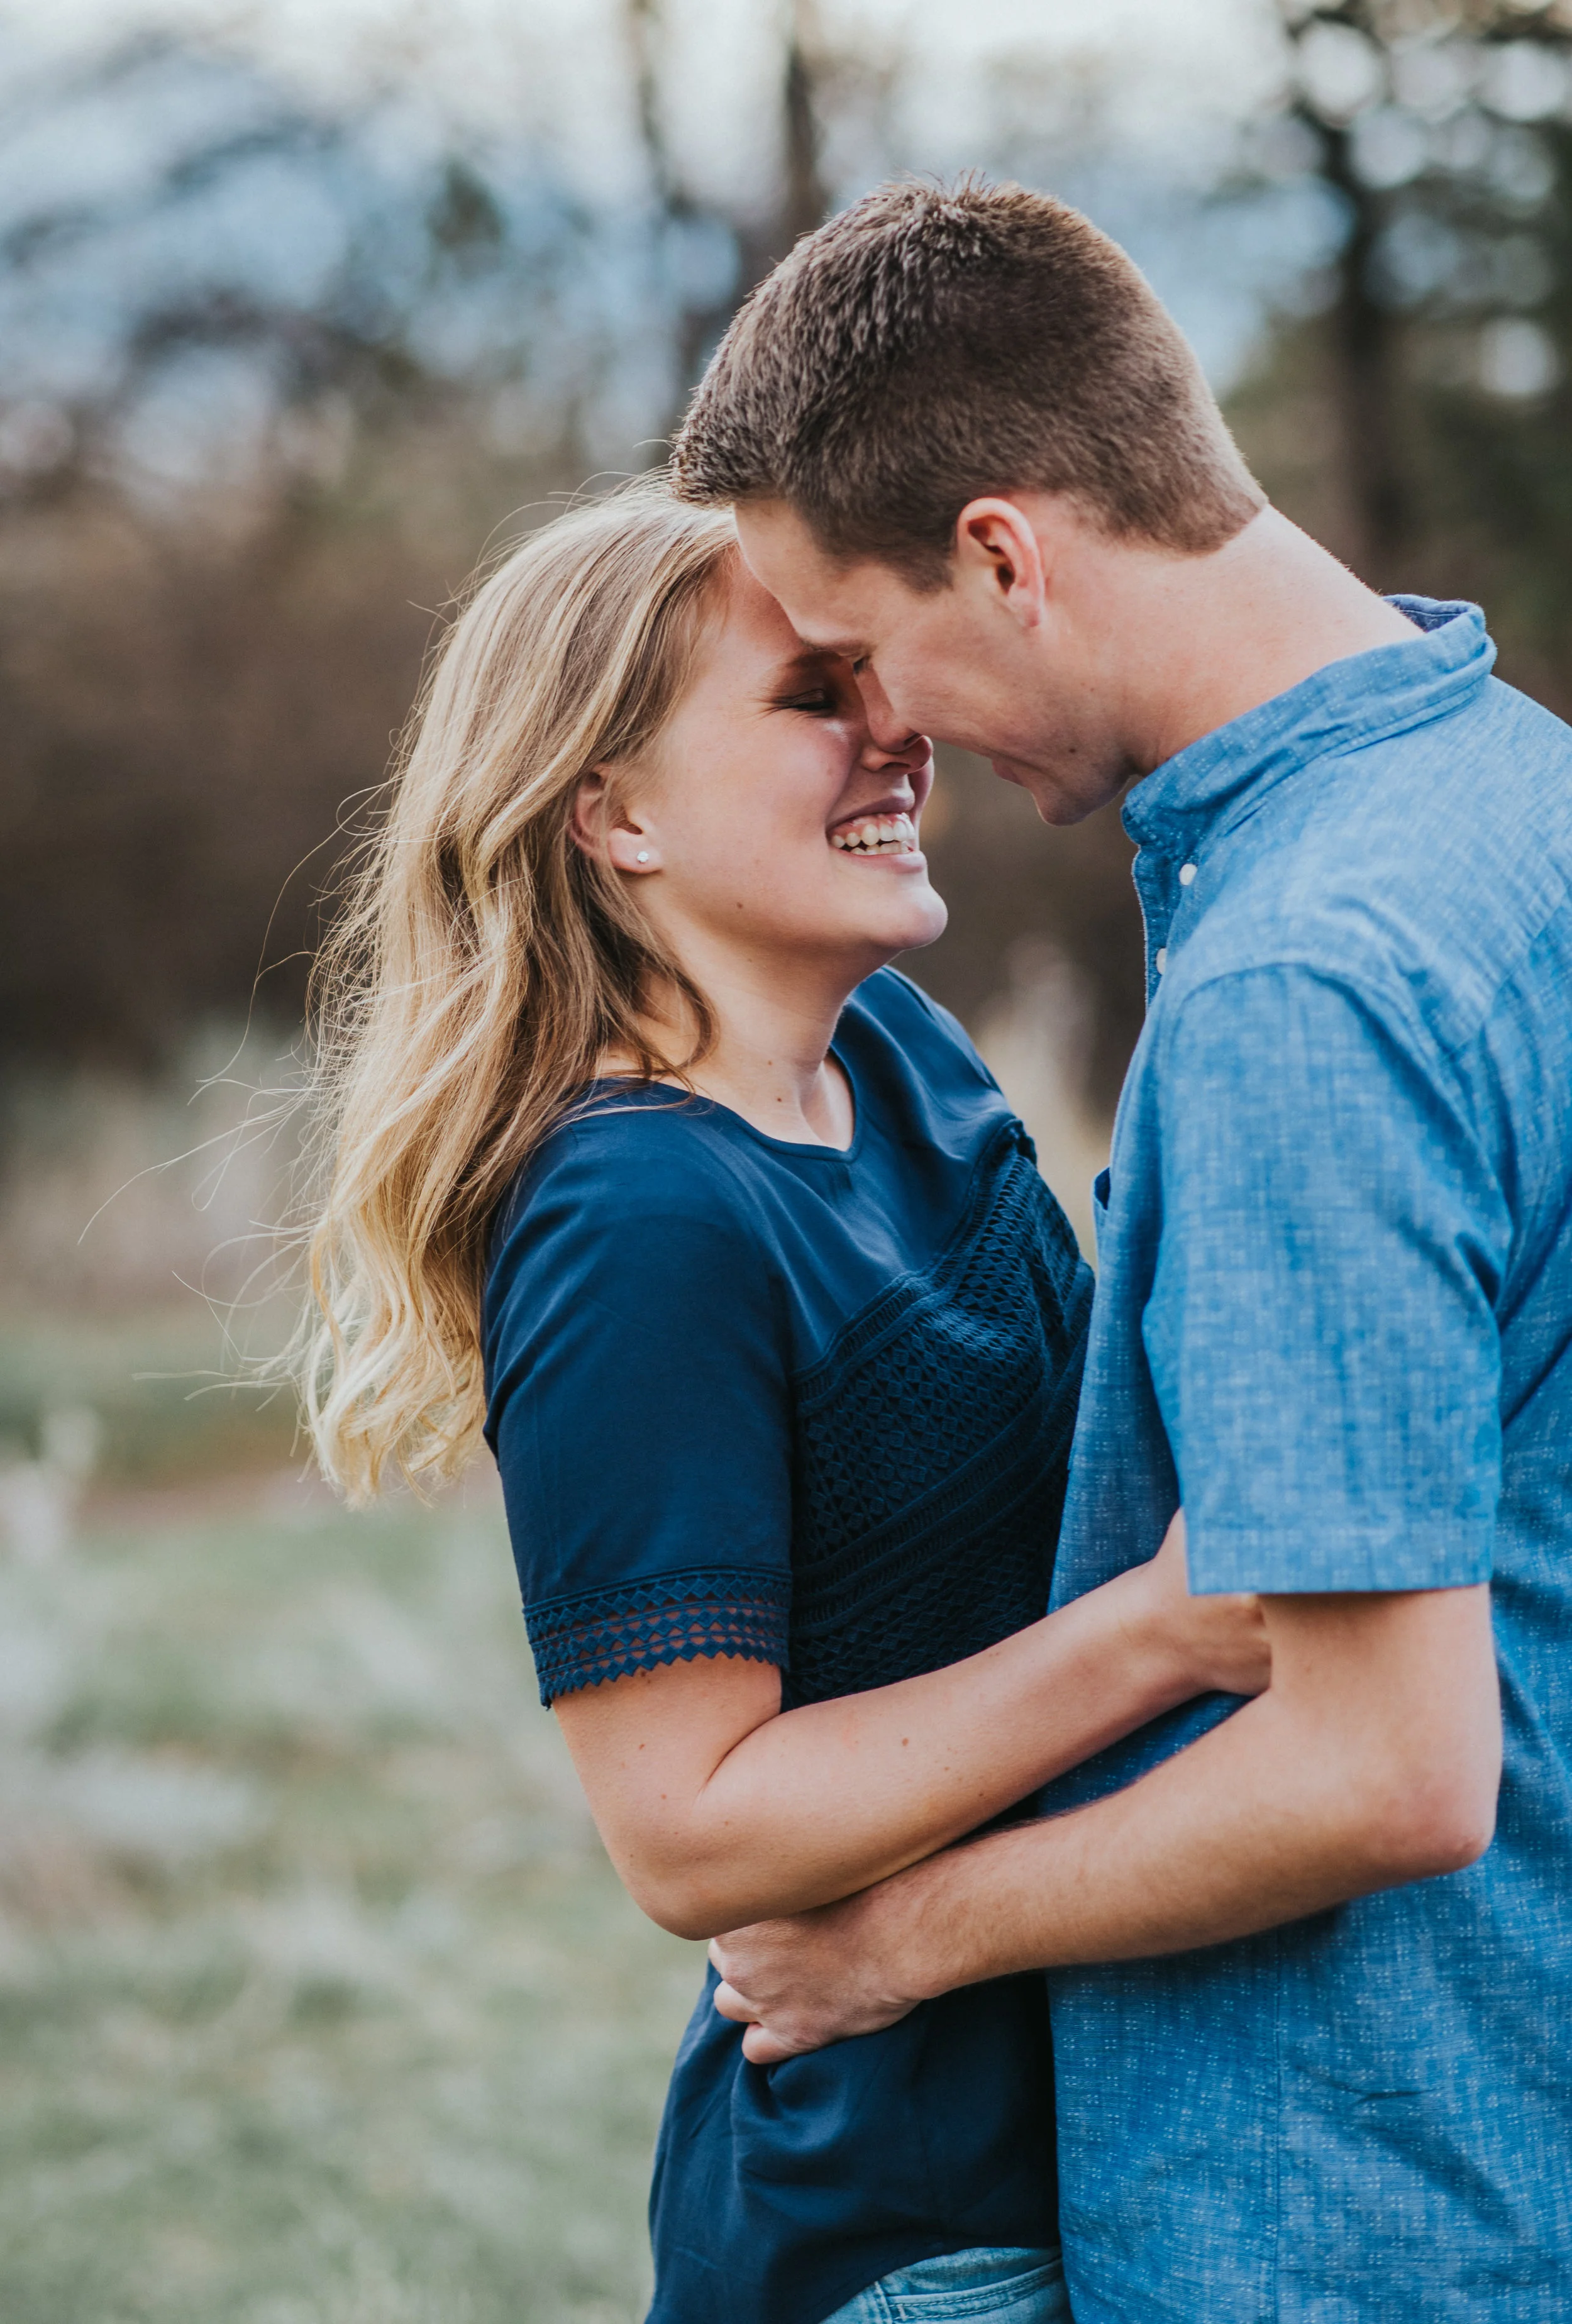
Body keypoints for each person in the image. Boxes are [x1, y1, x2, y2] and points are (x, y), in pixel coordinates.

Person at [670, 177, 1572, 2320]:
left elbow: (1382, 1768)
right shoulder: (1512, 790)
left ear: (1006, 552)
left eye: (863, 654)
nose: (892, 737)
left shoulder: (1303, 989)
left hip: (1350, 2213)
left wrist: (900, 1936)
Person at [291, 477, 1269, 2324]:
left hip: (1122, 2131)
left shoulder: (894, 1048)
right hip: (907, 2226)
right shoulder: (632, 1215)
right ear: (614, 812)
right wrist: (1165, 1632)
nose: (895, 725)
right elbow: (691, 1830)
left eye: (873, 674)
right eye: (813, 695)